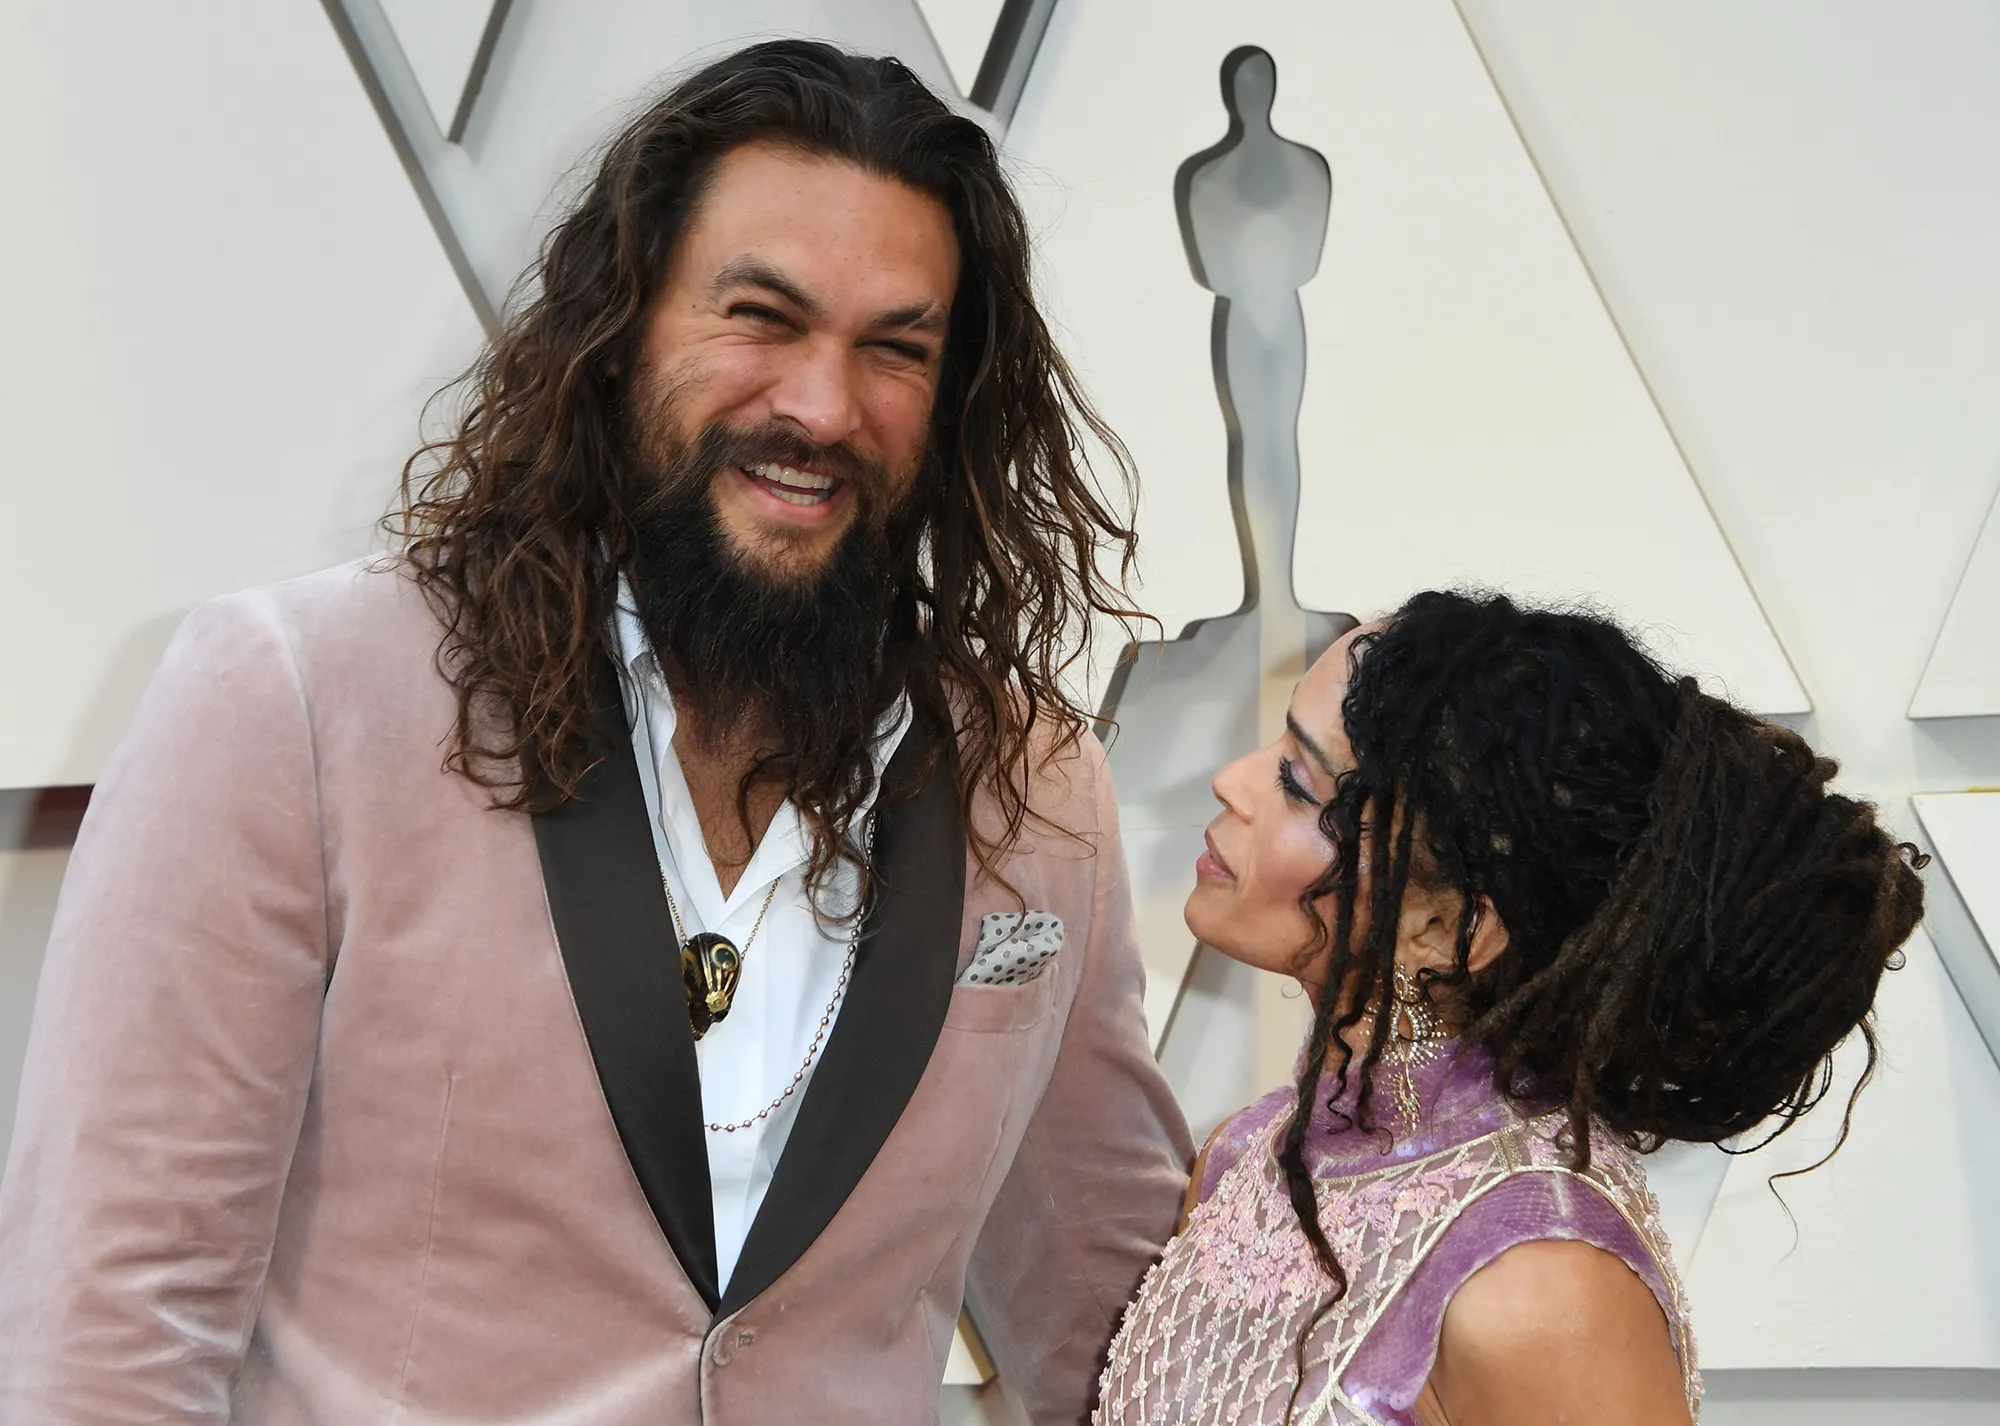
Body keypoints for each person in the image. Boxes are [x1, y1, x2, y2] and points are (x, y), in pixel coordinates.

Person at [0, 41, 1191, 1424]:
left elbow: (1125, 1339)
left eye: (894, 349)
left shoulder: (1033, 794)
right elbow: (111, 1328)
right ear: (622, 325)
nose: (820, 403)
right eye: (762, 316)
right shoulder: (297, 695)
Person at [1098, 591, 1926, 1425]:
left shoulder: (1540, 1276)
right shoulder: (1249, 1155)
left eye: (1296, 783)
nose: (1229, 782)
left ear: (1447, 927)